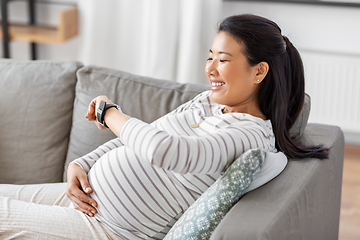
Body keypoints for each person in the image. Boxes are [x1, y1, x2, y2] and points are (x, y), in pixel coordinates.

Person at [0, 14, 328, 240]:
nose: (210, 68)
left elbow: (165, 151)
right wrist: (81, 164)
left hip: (112, 230)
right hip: (88, 202)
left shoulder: (247, 135)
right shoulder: (208, 103)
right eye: (210, 56)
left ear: (259, 72)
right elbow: (141, 139)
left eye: (223, 60)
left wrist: (109, 113)